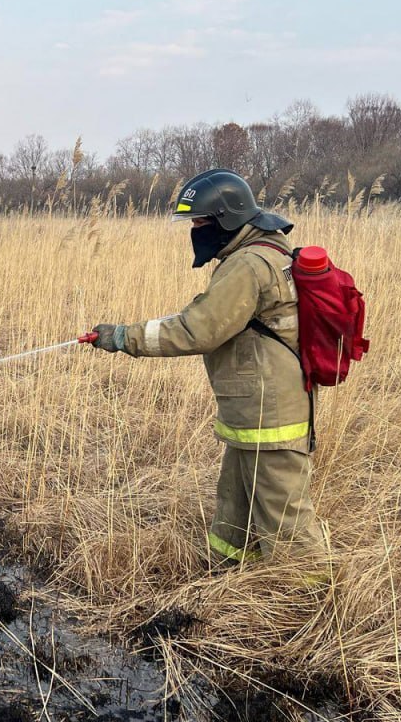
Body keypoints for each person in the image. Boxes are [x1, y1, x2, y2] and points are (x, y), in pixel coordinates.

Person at [90, 168, 331, 571]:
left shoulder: (249, 265)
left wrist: (122, 337)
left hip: (271, 410)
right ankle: (227, 578)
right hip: (254, 410)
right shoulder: (261, 254)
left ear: (227, 218)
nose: (195, 231)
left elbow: (196, 330)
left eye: (201, 222)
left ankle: (309, 595)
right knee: (235, 505)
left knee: (286, 518)